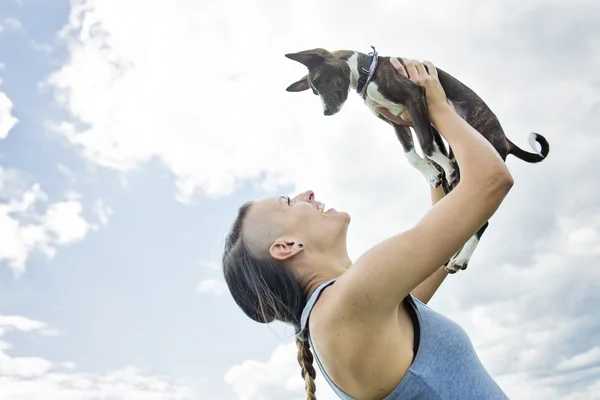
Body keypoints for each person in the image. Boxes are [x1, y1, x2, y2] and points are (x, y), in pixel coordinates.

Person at [222, 58, 513, 400]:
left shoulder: (353, 312)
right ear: (286, 246)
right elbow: (491, 180)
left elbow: (445, 248)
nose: (308, 194)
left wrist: (422, 132)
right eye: (289, 201)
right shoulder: (344, 309)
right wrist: (437, 108)